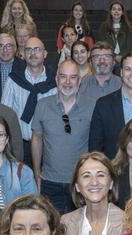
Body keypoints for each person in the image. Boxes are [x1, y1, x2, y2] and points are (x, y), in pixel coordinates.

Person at [31, 59, 93, 212]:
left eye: (72, 77)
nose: (67, 82)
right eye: (63, 77)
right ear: (56, 79)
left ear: (79, 81)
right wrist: (37, 174)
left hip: (81, 182)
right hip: (49, 182)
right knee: (51, 230)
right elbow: (36, 139)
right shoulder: (43, 105)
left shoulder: (92, 106)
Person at [2, 37, 57, 167]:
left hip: (48, 145)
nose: (33, 53)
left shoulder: (55, 81)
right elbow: (5, 115)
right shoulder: (14, 80)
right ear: (23, 55)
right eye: (28, 50)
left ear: (45, 54)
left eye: (37, 49)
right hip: (20, 146)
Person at [0, 33, 21, 100]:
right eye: (1, 46)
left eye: (9, 46)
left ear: (15, 48)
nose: (5, 50)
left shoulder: (24, 68)